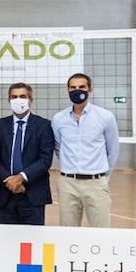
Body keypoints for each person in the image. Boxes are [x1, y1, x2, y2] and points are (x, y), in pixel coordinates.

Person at [51, 72, 119, 228]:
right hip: (68, 183)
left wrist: (102, 176)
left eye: (82, 87)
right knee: (68, 232)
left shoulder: (105, 116)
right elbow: (59, 147)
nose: (77, 90)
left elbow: (113, 150)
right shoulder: (58, 119)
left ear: (90, 89)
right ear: (67, 90)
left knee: (101, 232)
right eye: (73, 87)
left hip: (95, 183)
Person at [0, 82, 55, 226]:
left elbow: (45, 159)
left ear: (30, 100)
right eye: (14, 97)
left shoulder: (44, 125)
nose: (18, 100)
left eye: (22, 96)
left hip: (33, 193)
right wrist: (9, 180)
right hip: (5, 192)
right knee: (6, 241)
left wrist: (21, 178)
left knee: (33, 242)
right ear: (9, 100)